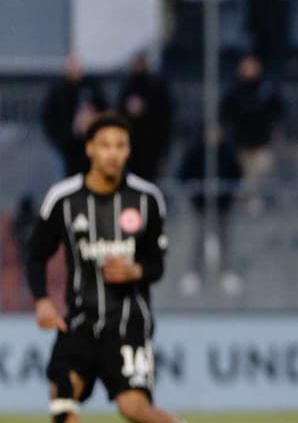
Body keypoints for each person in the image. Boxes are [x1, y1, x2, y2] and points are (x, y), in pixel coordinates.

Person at [25, 112, 239, 423]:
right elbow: (35, 254)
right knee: (61, 393)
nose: (113, 154)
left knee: (134, 409)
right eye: (105, 145)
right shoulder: (64, 199)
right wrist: (41, 301)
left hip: (130, 325)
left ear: (128, 150)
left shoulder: (145, 199)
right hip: (81, 321)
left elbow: (158, 264)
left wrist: (137, 271)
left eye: (121, 146)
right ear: (89, 148)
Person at [176, 126, 243, 297]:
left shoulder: (227, 152)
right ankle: (194, 273)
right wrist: (195, 190)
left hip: (222, 204)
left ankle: (226, 272)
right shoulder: (196, 152)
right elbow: (183, 174)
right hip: (201, 204)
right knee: (198, 238)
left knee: (224, 237)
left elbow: (237, 173)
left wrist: (228, 190)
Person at [220, 53, 285, 213]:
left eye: (252, 66)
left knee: (260, 172)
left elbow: (279, 109)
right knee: (244, 175)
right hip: (240, 142)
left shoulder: (266, 88)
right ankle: (248, 203)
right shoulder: (235, 89)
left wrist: (277, 129)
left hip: (262, 140)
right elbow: (225, 112)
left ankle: (255, 203)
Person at [42, 54, 107, 177]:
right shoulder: (58, 90)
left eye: (77, 66)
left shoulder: (92, 86)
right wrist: (66, 133)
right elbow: (49, 118)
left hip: (91, 148)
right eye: (71, 66)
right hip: (66, 149)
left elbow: (105, 110)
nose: (75, 70)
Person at [118, 52, 173, 181]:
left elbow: (164, 116)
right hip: (131, 147)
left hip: (151, 146)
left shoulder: (156, 86)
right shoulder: (127, 86)